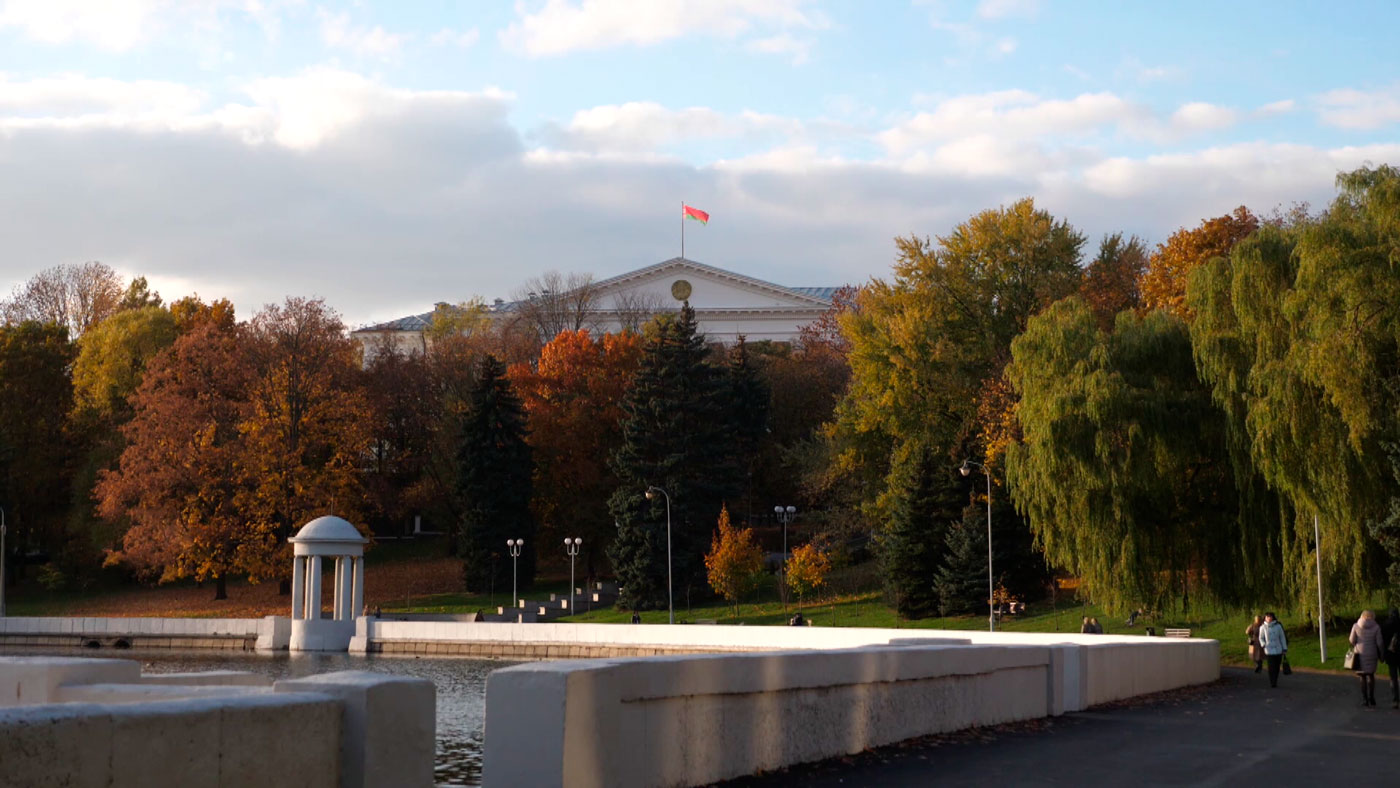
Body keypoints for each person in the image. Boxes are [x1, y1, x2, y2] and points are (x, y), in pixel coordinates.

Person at [1349, 609, 1386, 707]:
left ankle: (1365, 700)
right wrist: (1382, 654)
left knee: (1362, 677)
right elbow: (1380, 643)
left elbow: (1351, 640)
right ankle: (1372, 698)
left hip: (1360, 654)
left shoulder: (1356, 626)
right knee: (1371, 676)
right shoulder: (1376, 627)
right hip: (1372, 654)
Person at [1258, 612, 1287, 688]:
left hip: (1278, 649)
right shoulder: (1263, 627)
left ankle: (1275, 679)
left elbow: (1282, 637)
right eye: (1267, 617)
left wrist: (1284, 648)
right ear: (1265, 618)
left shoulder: (1278, 626)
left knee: (1277, 666)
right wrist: (1263, 644)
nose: (1269, 618)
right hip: (1269, 649)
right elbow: (1261, 637)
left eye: (1270, 617)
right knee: (1271, 666)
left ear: (1273, 617)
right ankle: (1272, 682)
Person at [1381, 607, 1400, 709]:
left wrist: (1382, 654)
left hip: (1391, 655)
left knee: (1393, 678)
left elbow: (1382, 641)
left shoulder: (1385, 625)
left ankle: (1395, 700)